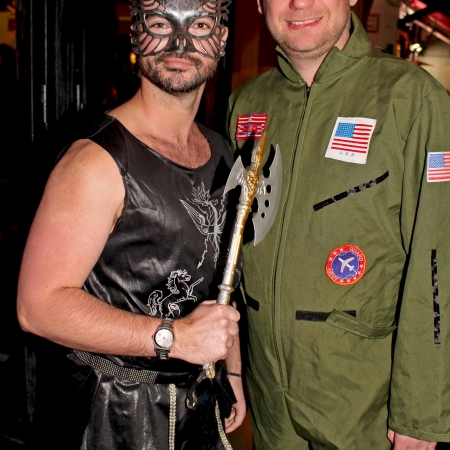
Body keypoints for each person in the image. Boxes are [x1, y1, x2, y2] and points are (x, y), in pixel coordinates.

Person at [16, 1, 246, 449]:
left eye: (200, 25)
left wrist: (231, 368)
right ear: (137, 34)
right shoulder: (95, 162)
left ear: (220, 38)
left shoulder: (220, 151)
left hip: (197, 406)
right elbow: (37, 306)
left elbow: (220, 276)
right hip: (112, 416)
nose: (179, 44)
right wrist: (175, 338)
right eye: (161, 24)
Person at [227, 0, 450, 449]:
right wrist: (232, 369)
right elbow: (233, 251)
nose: (299, 3)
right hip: (270, 405)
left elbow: (438, 255)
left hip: (367, 407)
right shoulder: (247, 104)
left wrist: (420, 411)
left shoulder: (413, 99)